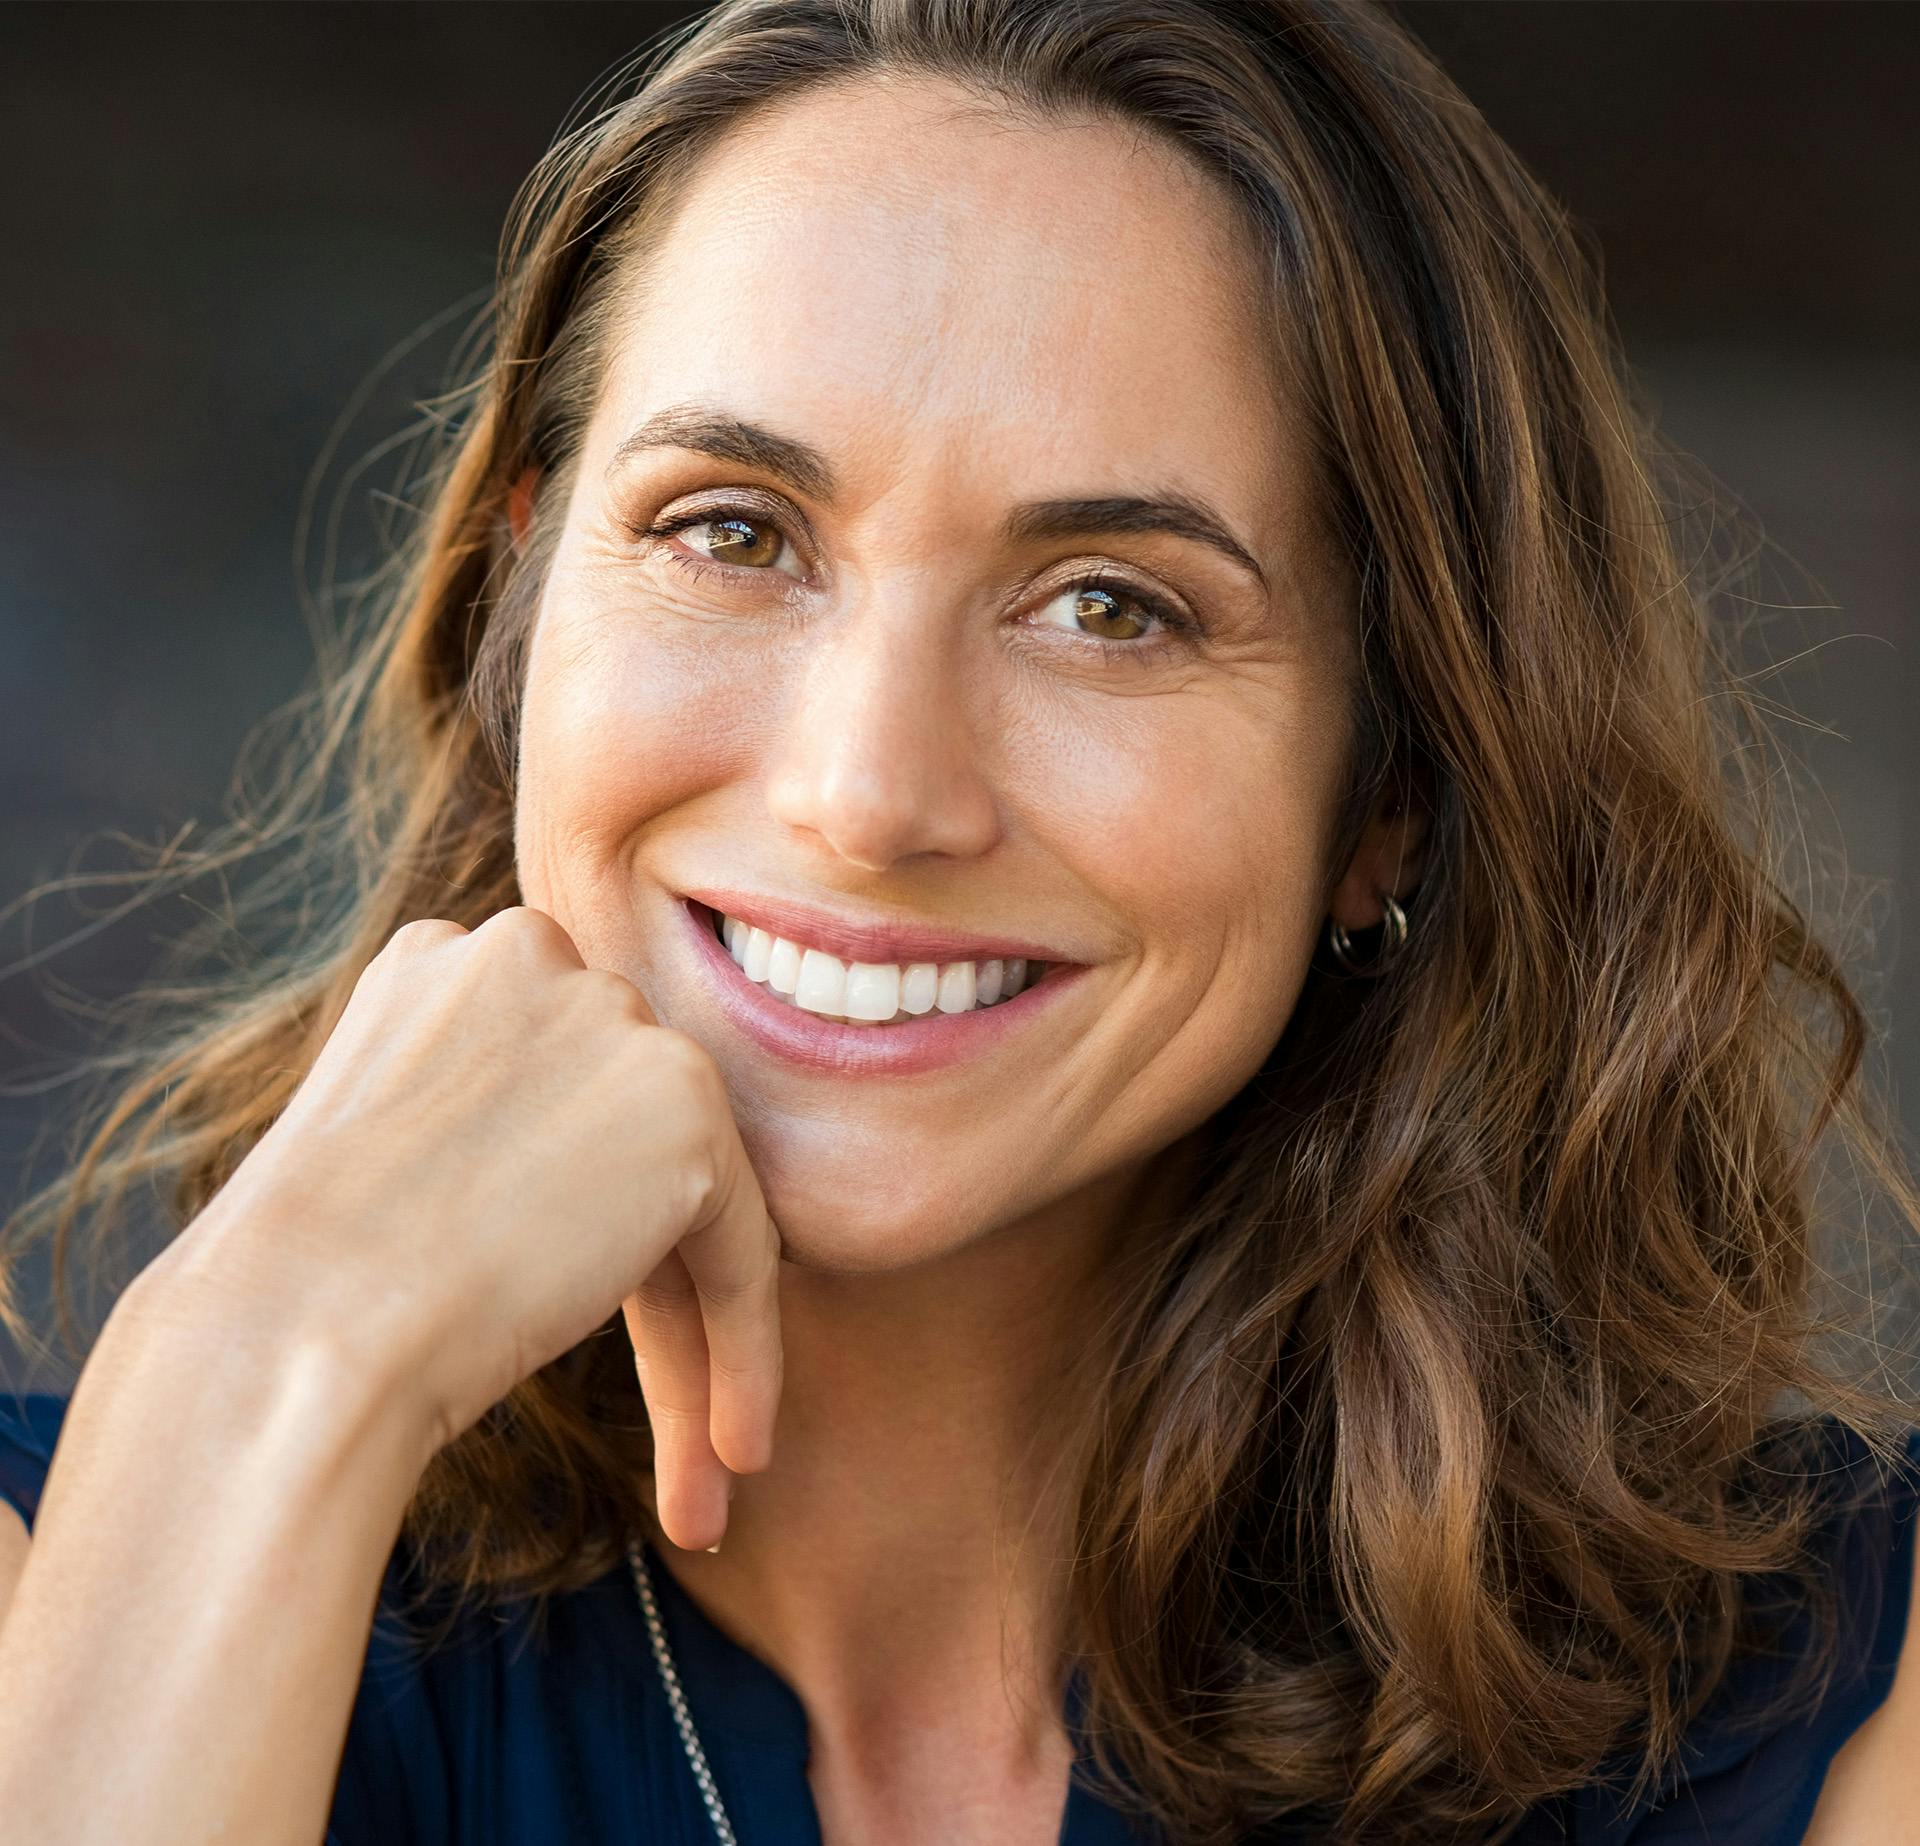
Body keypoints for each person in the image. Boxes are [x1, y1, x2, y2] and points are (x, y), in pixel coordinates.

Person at [1, 1, 1917, 1840]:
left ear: (1385, 795)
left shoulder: (1848, 1698)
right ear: (527, 609)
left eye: (1111, 604)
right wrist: (270, 1354)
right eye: (732, 530)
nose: (871, 793)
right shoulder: (50, 1583)